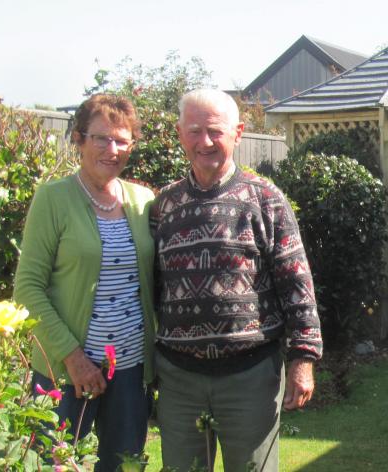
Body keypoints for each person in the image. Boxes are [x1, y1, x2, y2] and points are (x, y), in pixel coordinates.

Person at [150, 89, 323, 471]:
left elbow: (298, 284)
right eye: (194, 131)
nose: (205, 142)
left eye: (215, 131)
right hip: (179, 379)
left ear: (238, 132)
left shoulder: (266, 200)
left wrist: (303, 359)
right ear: (180, 134)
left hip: (249, 376)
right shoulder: (163, 207)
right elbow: (152, 289)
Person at [14, 95, 156, 472]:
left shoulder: (142, 200)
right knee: (53, 464)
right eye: (101, 139)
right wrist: (73, 358)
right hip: (66, 370)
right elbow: (27, 288)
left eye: (122, 140)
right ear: (79, 139)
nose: (113, 150)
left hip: (129, 370)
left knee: (123, 466)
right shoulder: (53, 199)